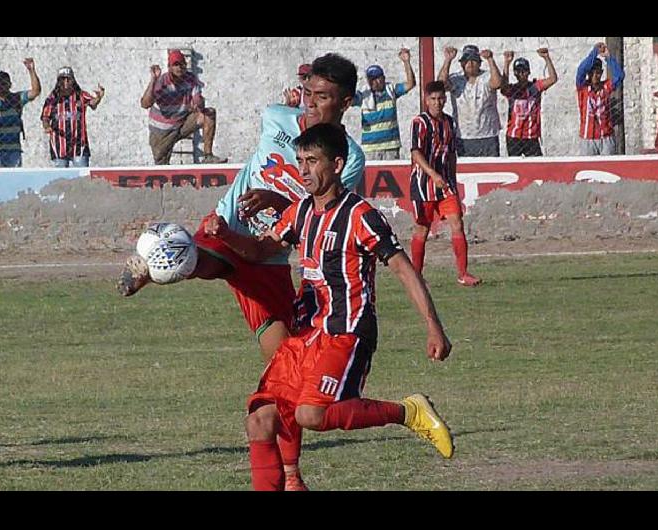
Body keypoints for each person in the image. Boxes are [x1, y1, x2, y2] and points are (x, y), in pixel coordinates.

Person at [119, 53, 366, 491]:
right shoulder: (276, 119)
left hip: (269, 260)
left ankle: (291, 476)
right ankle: (165, 259)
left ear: (345, 102)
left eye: (322, 98)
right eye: (307, 93)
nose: (310, 104)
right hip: (227, 229)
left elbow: (324, 215)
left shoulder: (350, 159)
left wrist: (277, 203)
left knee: (285, 373)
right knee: (209, 257)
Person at [219, 123, 453, 491]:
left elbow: (402, 268)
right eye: (300, 161)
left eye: (313, 161)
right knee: (260, 421)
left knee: (310, 414)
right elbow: (261, 249)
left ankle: (408, 411)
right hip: (305, 336)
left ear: (338, 164)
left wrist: (433, 325)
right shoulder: (299, 213)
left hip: (347, 332)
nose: (304, 171)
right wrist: (225, 234)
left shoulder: (360, 215)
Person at [409, 81, 481, 287]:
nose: (437, 102)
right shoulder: (419, 122)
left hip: (446, 183)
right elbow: (415, 152)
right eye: (433, 99)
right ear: (426, 100)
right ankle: (416, 276)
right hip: (424, 183)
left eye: (441, 98)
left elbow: (451, 153)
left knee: (457, 223)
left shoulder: (449, 121)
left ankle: (463, 273)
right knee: (422, 228)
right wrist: (432, 174)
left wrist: (452, 179)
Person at [141, 49, 227, 165]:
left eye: (181, 64)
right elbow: (145, 104)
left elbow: (198, 99)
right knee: (161, 166)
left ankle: (208, 156)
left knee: (209, 114)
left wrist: (198, 103)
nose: (179, 68)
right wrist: (153, 81)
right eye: (175, 65)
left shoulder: (190, 79)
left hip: (181, 125)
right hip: (162, 132)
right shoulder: (161, 82)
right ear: (169, 67)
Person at [350, 48, 417, 160]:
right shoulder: (363, 94)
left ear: (383, 78)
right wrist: (351, 78)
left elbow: (410, 84)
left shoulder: (391, 90)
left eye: (378, 78)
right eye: (372, 79)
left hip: (391, 146)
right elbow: (350, 100)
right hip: (370, 149)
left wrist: (406, 62)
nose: (375, 82)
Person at [438, 44, 503, 157]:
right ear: (462, 63)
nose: (470, 64)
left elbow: (497, 83)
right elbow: (441, 84)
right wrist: (448, 60)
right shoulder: (456, 79)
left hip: (488, 135)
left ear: (479, 63)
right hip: (464, 136)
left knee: (490, 171)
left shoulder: (486, 76)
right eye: (467, 61)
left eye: (474, 60)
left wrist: (490, 60)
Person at [40, 66, 104, 167]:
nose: (65, 82)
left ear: (73, 81)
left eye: (68, 79)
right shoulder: (52, 98)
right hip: (59, 145)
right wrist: (47, 126)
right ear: (58, 81)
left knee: (82, 176)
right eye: (62, 79)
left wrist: (99, 97)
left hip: (79, 144)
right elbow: (45, 117)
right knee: (61, 178)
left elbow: (93, 103)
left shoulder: (81, 95)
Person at [500, 49, 558, 157]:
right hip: (514, 136)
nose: (521, 74)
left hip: (531, 135)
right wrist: (506, 63)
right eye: (518, 71)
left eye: (524, 71)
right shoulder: (512, 89)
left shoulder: (535, 87)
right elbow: (503, 86)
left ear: (529, 72)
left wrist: (547, 58)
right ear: (515, 73)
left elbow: (553, 79)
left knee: (537, 168)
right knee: (515, 165)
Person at [576, 42, 624, 156]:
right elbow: (580, 70)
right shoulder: (583, 87)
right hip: (588, 138)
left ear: (601, 73)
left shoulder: (606, 87)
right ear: (589, 74)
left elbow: (619, 76)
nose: (595, 76)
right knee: (588, 169)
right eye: (592, 73)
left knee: (607, 168)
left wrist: (608, 57)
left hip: (606, 137)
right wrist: (594, 52)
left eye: (597, 73)